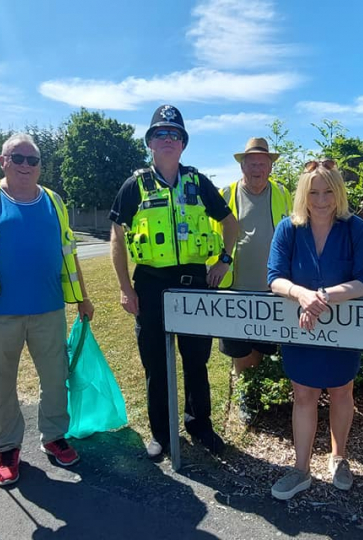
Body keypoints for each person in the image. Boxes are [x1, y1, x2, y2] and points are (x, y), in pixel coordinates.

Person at [0, 133, 94, 487]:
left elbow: (69, 252)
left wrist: (82, 297)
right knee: (0, 382)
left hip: (48, 309)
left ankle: (54, 436)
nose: (26, 165)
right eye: (18, 158)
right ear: (3, 162)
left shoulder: (55, 201)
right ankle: (7, 449)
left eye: (33, 160)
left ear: (40, 166)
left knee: (55, 377)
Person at [109, 104, 237, 459]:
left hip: (194, 282)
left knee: (197, 359)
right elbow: (116, 237)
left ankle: (200, 426)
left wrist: (224, 261)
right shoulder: (134, 185)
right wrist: (124, 287)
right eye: (161, 134)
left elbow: (230, 223)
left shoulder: (198, 183)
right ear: (150, 142)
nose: (168, 139)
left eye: (174, 134)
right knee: (156, 363)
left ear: (183, 144)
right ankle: (162, 435)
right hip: (150, 285)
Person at [266, 159, 363, 500]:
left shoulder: (355, 228)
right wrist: (301, 294)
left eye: (328, 191)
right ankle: (301, 469)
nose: (321, 199)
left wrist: (326, 297)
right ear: (303, 194)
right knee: (303, 394)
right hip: (300, 330)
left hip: (341, 331)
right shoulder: (289, 229)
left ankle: (339, 456)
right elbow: (275, 278)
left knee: (342, 391)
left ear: (338, 192)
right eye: (313, 192)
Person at [213, 137, 292, 423]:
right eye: (252, 163)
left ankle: (260, 397)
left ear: (270, 167)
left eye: (263, 163)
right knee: (240, 349)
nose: (258, 168)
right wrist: (218, 263)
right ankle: (245, 399)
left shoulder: (283, 193)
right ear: (242, 165)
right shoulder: (226, 193)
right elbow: (212, 235)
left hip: (273, 288)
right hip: (235, 287)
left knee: (263, 347)